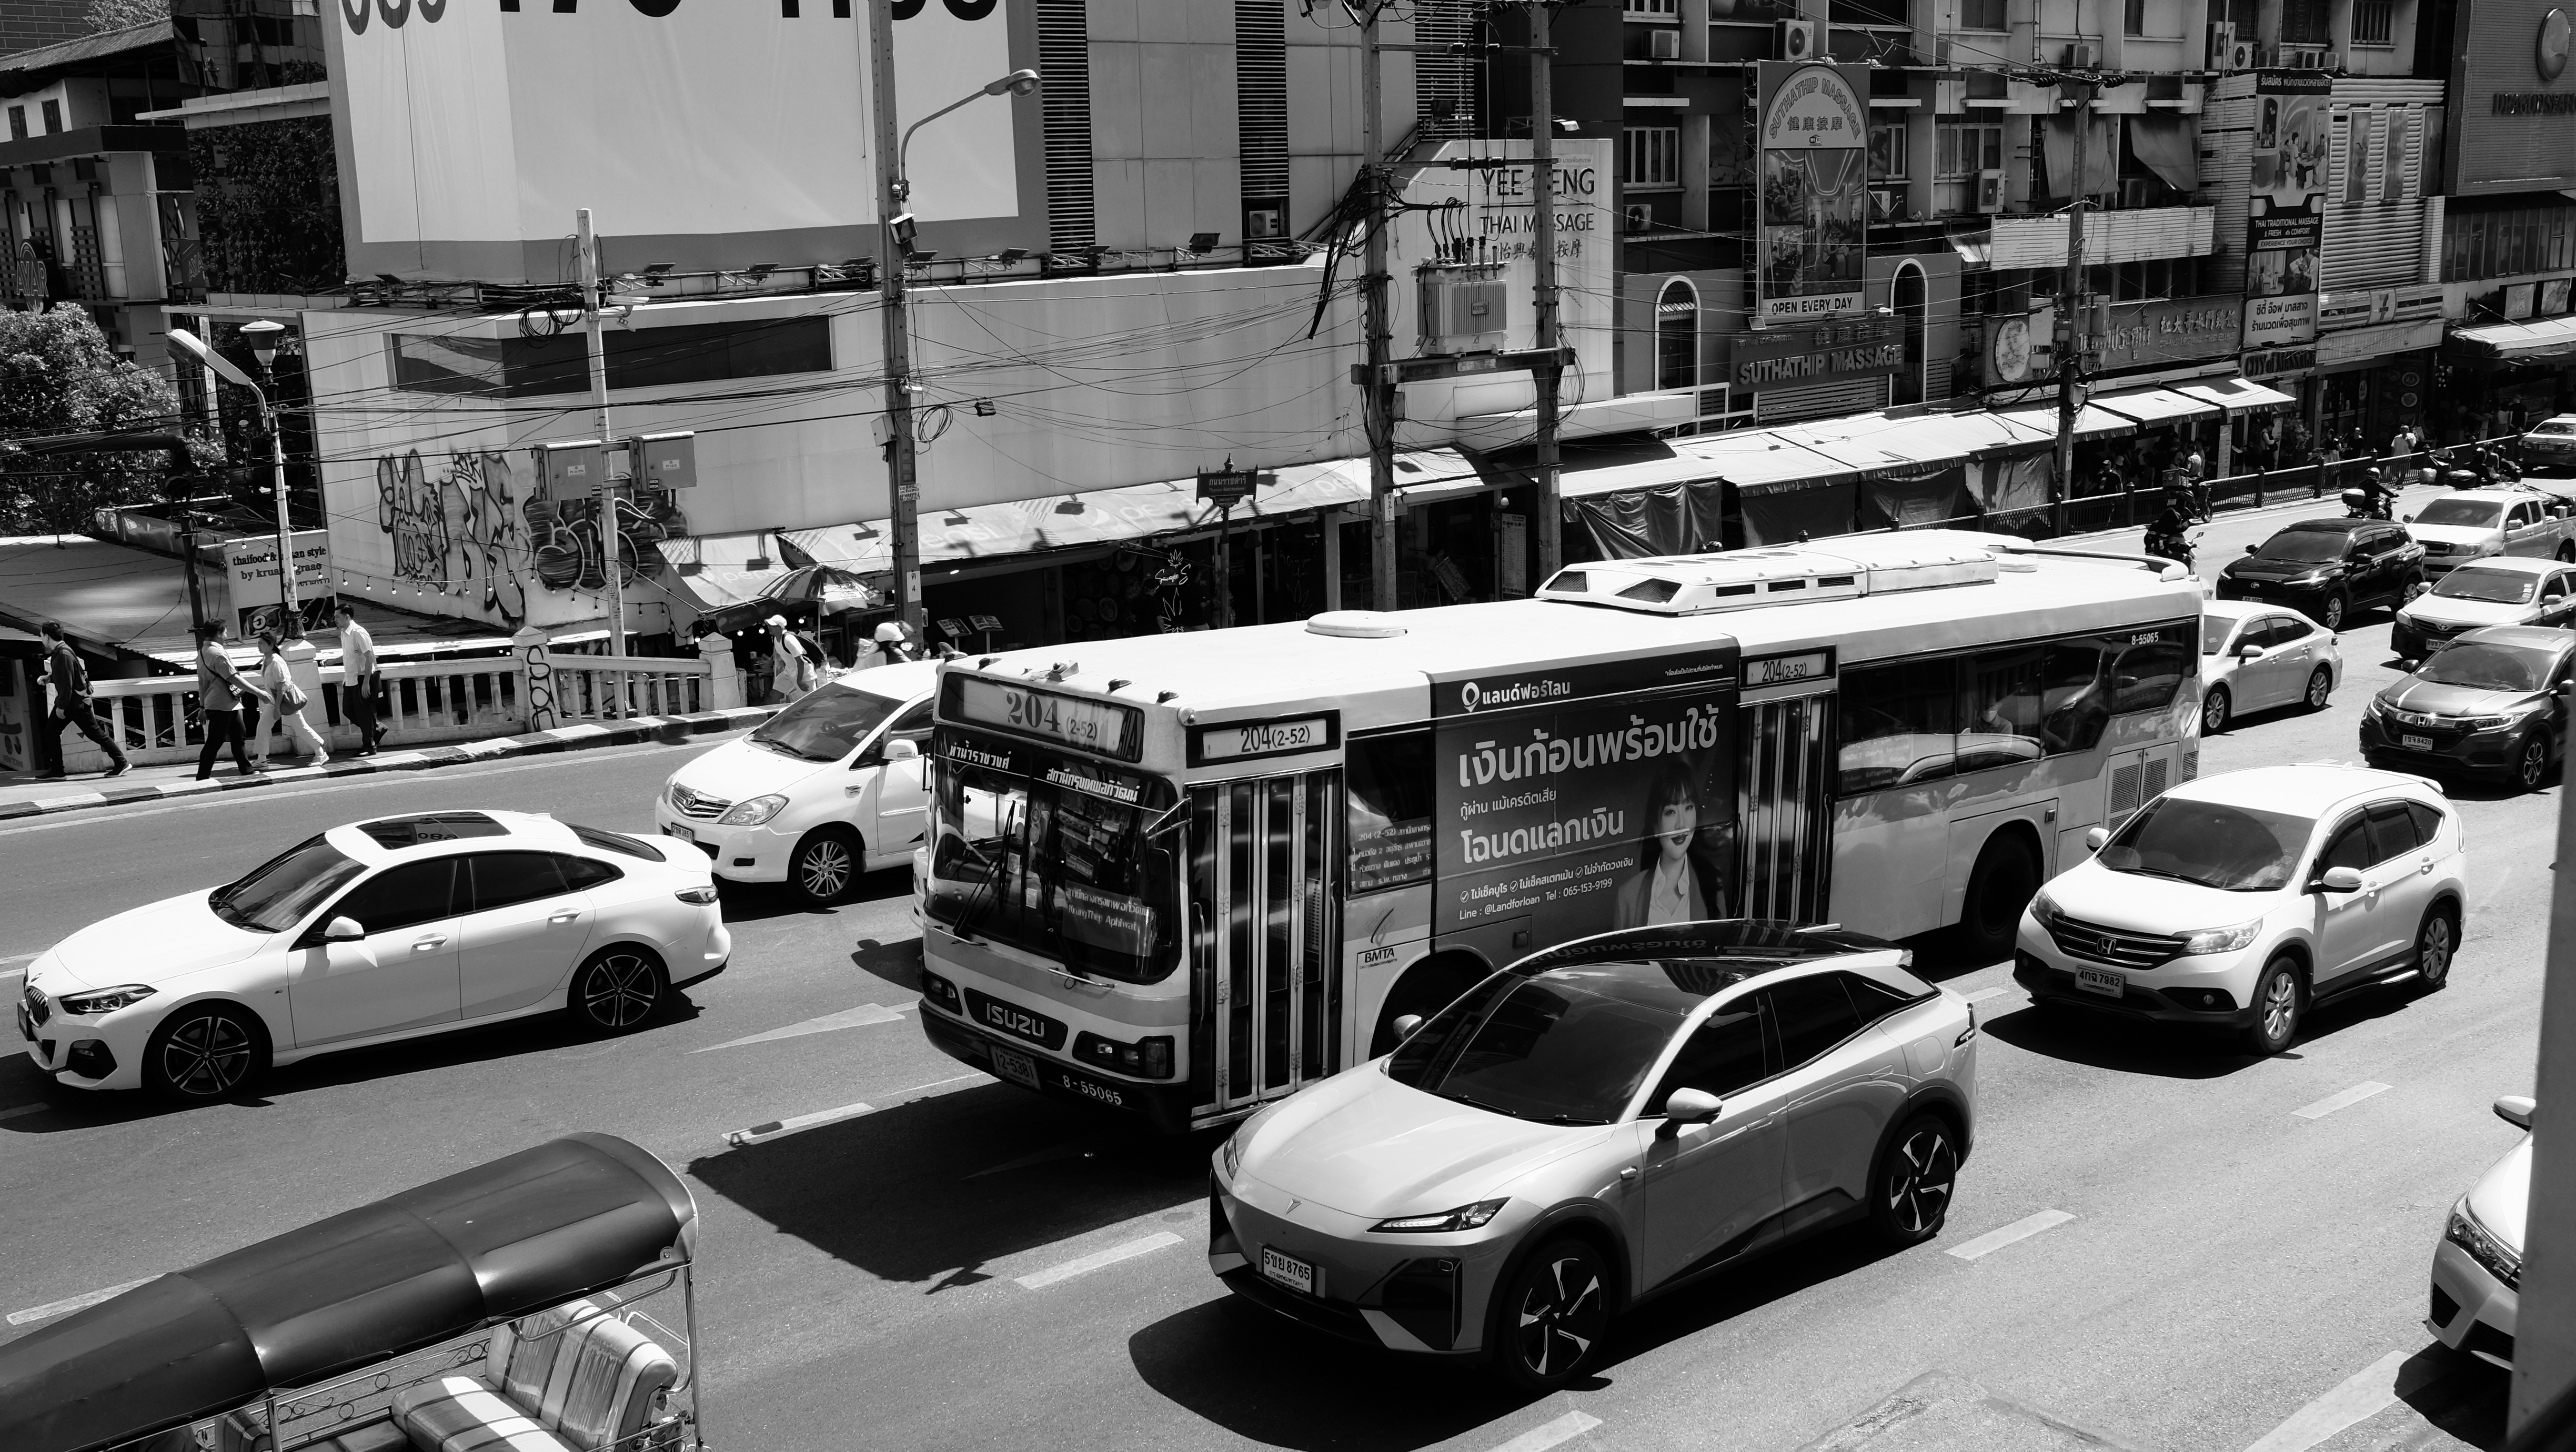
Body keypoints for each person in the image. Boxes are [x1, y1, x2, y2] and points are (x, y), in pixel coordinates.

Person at [1612, 758, 1725, 929]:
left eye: (1688, 807)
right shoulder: (1628, 896)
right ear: (1655, 825)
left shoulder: (1712, 884)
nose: (1681, 825)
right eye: (1671, 812)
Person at [36, 620, 126, 779]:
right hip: (74, 703)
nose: (41, 639)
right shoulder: (63, 651)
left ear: (48, 637)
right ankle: (57, 770)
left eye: (42, 636)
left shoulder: (63, 654)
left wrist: (61, 707)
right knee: (52, 733)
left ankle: (122, 763)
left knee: (95, 734)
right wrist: (50, 678)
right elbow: (66, 676)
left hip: (75, 705)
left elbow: (67, 683)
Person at [249, 629, 328, 769]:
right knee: (263, 727)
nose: (259, 646)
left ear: (271, 644)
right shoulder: (267, 660)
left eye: (261, 643)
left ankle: (320, 753)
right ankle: (262, 760)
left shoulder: (276, 662)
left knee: (301, 727)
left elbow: (282, 687)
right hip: (274, 701)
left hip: (284, 701)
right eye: (258, 643)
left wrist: (278, 708)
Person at [193, 621, 262, 780]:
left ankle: (247, 770)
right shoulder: (218, 654)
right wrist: (259, 693)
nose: (227, 635)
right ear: (218, 634)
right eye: (225, 632)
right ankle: (202, 776)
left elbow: (202, 683)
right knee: (215, 742)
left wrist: (203, 706)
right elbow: (234, 678)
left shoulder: (203, 652)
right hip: (222, 704)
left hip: (223, 703)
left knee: (239, 736)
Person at [334, 602, 383, 755]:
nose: (335, 620)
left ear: (347, 617)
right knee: (348, 711)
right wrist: (332, 661)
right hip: (349, 679)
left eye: (338, 617)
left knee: (364, 713)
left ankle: (369, 746)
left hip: (362, 678)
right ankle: (377, 729)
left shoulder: (359, 633)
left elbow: (369, 657)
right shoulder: (344, 633)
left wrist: (366, 683)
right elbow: (349, 654)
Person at [764, 615, 814, 701]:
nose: (770, 628)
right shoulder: (775, 640)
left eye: (772, 626)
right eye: (769, 626)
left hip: (804, 674)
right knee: (774, 694)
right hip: (790, 672)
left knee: (809, 702)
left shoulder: (788, 640)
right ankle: (776, 715)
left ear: (780, 628)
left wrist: (799, 681)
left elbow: (801, 661)